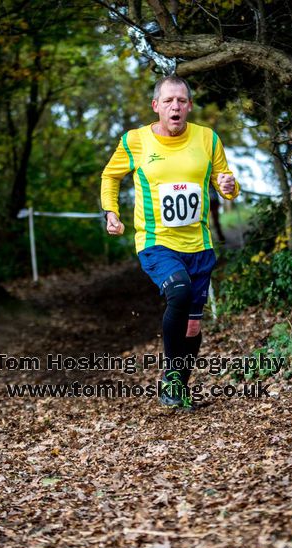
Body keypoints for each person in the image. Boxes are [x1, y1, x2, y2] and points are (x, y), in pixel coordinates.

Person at [101, 75, 239, 409]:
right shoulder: (135, 141)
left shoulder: (207, 139)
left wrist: (229, 184)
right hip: (155, 241)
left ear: (189, 106)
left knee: (192, 326)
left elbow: (228, 186)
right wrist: (110, 211)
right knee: (178, 290)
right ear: (156, 106)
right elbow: (110, 175)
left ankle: (178, 382)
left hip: (199, 246)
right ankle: (169, 377)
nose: (175, 106)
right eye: (168, 101)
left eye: (181, 101)